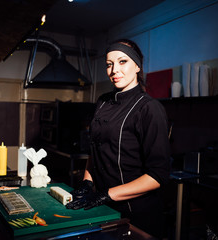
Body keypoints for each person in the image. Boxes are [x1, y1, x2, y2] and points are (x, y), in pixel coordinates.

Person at [66, 39, 171, 238]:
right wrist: (88, 183)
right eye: (109, 64)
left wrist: (105, 194)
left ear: (137, 66)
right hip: (104, 209)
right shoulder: (103, 101)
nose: (114, 70)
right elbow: (95, 149)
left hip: (137, 213)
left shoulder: (149, 108)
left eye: (122, 62)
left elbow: (158, 175)